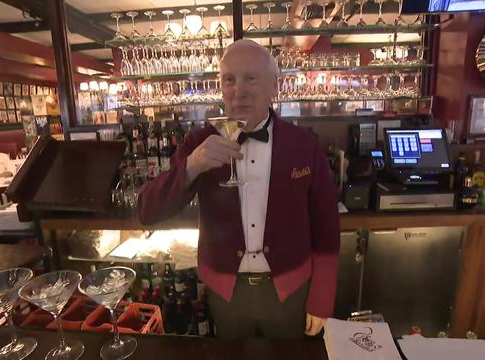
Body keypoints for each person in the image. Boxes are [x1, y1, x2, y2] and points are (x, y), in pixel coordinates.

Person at [138, 39, 340, 339]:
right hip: (225, 292)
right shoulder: (199, 143)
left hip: (290, 290)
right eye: (229, 79)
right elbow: (147, 211)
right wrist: (191, 166)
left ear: (274, 85)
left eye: (250, 78)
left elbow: (326, 224)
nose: (238, 90)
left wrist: (321, 298)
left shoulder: (304, 145)